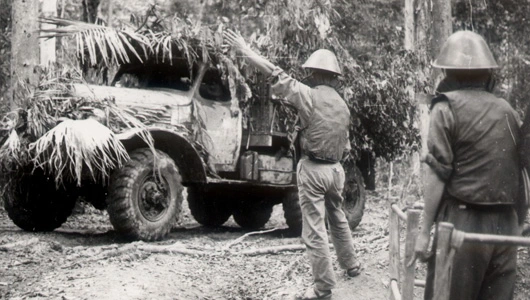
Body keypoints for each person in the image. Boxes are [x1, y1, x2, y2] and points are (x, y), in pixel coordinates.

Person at [223, 30, 361, 300]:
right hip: (336, 171)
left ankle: (323, 288)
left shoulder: (308, 95)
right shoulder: (343, 106)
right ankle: (352, 265)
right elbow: (346, 147)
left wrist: (245, 49)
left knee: (315, 230)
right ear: (334, 76)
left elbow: (273, 72)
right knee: (338, 217)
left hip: (314, 170)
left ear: (315, 74)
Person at [412, 30, 523, 300]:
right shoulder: (508, 110)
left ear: (448, 73)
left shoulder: (444, 109)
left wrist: (424, 232)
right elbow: (522, 173)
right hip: (506, 227)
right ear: (487, 73)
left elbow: (438, 174)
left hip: (463, 224)